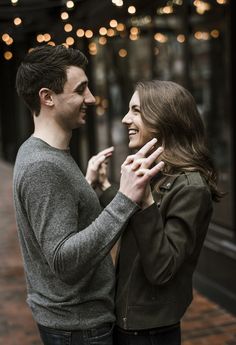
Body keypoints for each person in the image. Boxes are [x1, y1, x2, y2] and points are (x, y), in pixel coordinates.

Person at [13, 46, 165, 345]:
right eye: (81, 89)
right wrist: (125, 197)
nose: (92, 98)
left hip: (75, 324)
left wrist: (83, 185)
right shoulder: (44, 165)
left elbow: (58, 225)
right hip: (79, 329)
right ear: (47, 97)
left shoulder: (43, 154)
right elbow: (65, 261)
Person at [89, 80, 222, 345]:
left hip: (149, 331)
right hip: (126, 318)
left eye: (136, 110)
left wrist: (145, 199)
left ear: (164, 118)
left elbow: (162, 268)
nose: (126, 119)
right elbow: (133, 216)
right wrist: (104, 187)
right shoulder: (159, 173)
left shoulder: (192, 187)